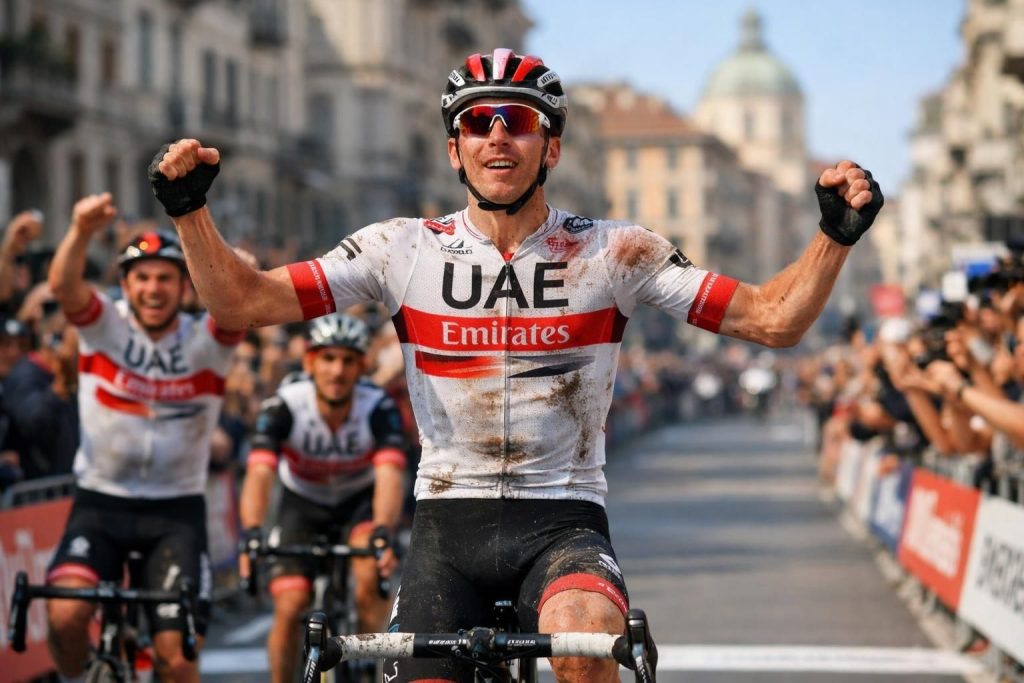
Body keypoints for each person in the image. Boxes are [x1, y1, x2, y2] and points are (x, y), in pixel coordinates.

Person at [148, 48, 884, 683]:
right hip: (446, 524)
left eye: (520, 120)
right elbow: (243, 303)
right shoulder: (398, 248)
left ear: (551, 147)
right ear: (454, 147)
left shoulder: (614, 250)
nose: (498, 135)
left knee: (589, 645)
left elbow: (772, 318)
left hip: (562, 520)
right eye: (477, 121)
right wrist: (189, 214)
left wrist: (833, 238)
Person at [44, 194, 243, 683]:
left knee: (176, 659)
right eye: (142, 278)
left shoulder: (206, 342)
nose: (153, 289)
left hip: (174, 513)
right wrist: (80, 230)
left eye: (165, 278)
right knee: (65, 615)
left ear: (185, 287)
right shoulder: (105, 327)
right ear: (125, 285)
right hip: (99, 504)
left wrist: (237, 266)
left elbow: (239, 300)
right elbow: (63, 287)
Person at [238, 312, 406, 683]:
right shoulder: (285, 404)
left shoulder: (377, 406)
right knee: (290, 605)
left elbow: (389, 474)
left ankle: (364, 657)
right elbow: (260, 472)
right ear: (310, 361)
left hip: (357, 502)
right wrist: (251, 530)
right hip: (302, 504)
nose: (337, 371)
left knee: (369, 566)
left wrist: (383, 530)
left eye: (348, 360)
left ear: (361, 366)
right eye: (328, 358)